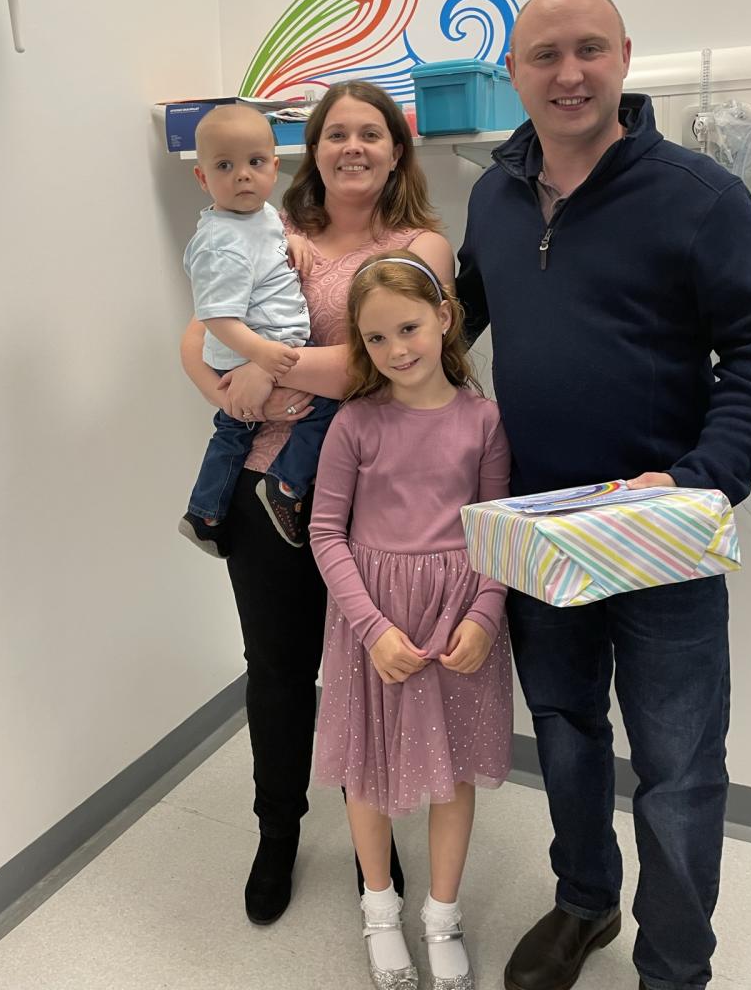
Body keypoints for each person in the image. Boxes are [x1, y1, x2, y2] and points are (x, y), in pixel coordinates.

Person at [455, 0, 751, 990]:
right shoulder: (491, 195)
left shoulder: (701, 197)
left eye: (589, 49)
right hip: (538, 533)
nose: (569, 72)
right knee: (563, 732)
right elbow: (447, 328)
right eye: (545, 54)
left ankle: (676, 965)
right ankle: (585, 902)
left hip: (663, 537)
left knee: (680, 770)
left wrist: (700, 484)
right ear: (512, 72)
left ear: (624, 57)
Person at [180, 81, 454, 925]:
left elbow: (374, 368)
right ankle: (277, 832)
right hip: (272, 487)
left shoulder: (423, 247)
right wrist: (232, 389)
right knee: (279, 672)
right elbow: (197, 333)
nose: (353, 147)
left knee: (366, 676)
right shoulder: (273, 229)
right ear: (315, 148)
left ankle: (373, 846)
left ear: (395, 149)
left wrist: (272, 364)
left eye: (371, 133)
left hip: (381, 499)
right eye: (337, 133)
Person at [310, 252, 512, 990]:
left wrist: (486, 615)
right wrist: (371, 628)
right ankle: (379, 911)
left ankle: (442, 917)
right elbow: (326, 534)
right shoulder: (354, 424)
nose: (397, 349)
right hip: (377, 622)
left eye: (409, 328)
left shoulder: (485, 420)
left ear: (444, 320)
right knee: (367, 771)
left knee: (452, 773)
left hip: (458, 620)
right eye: (376, 339)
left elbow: (494, 528)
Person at [178, 105, 338, 553]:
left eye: (255, 162)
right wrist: (264, 359)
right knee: (324, 406)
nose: (243, 176)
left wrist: (294, 240)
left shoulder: (261, 216)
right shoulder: (219, 243)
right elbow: (215, 316)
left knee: (232, 431)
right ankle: (286, 486)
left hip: (265, 347)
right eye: (225, 166)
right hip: (257, 349)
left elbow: (265, 247)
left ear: (274, 164)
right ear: (203, 178)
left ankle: (205, 512)